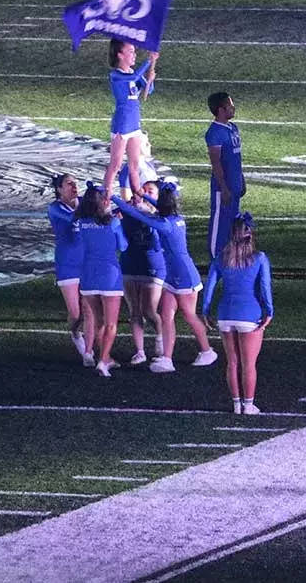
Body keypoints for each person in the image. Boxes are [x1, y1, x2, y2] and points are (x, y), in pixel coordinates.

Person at [111, 186, 218, 372]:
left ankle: (208, 351)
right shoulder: (176, 218)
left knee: (189, 315)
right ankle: (167, 359)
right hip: (172, 275)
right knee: (167, 315)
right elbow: (157, 207)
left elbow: (134, 214)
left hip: (184, 276)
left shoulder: (164, 225)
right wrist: (143, 195)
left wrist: (112, 196)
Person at [203, 214, 274, 415]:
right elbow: (265, 287)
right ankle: (249, 404)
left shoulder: (221, 258)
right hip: (250, 314)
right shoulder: (259, 258)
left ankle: (236, 404)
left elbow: (209, 287)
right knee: (249, 364)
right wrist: (269, 311)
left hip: (225, 314)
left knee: (232, 362)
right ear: (250, 235)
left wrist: (206, 311)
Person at [74, 183, 128, 378]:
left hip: (88, 275)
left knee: (98, 321)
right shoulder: (112, 223)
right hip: (109, 276)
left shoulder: (81, 223)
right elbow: (123, 246)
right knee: (111, 323)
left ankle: (107, 358)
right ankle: (103, 360)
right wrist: (118, 223)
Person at [102, 39, 158, 200]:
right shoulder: (116, 74)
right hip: (122, 123)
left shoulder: (132, 72)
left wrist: (150, 77)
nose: (134, 55)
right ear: (120, 55)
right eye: (131, 51)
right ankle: (106, 195)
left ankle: (138, 194)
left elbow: (148, 90)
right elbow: (134, 76)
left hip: (134, 122)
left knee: (135, 164)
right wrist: (149, 61)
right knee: (116, 164)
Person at [48, 173, 93, 367]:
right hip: (67, 264)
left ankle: (89, 352)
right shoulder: (55, 208)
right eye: (69, 184)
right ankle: (76, 334)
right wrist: (96, 211)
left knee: (89, 309)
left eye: (75, 183)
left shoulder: (83, 202)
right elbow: (74, 218)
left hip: (88, 262)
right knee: (76, 313)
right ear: (59, 189)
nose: (74, 186)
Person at [120, 180, 166, 366]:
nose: (145, 193)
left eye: (151, 191)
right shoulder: (128, 209)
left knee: (149, 310)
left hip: (152, 265)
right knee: (134, 311)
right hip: (130, 263)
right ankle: (139, 351)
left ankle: (161, 338)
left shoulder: (162, 216)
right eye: (143, 190)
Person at [205, 92, 245, 260]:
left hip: (235, 185)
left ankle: (229, 256)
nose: (233, 108)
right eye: (230, 105)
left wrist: (241, 180)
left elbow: (237, 159)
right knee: (219, 222)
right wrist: (224, 186)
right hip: (224, 188)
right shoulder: (214, 133)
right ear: (221, 110)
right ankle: (216, 257)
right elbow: (216, 163)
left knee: (231, 222)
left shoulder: (233, 128)